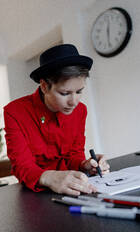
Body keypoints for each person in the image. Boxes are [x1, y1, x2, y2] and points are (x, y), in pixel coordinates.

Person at [4, 44, 110, 196]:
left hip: (72, 191)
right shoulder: (14, 112)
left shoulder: (81, 110)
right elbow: (22, 166)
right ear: (44, 86)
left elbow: (74, 154)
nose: (74, 101)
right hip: (35, 196)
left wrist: (84, 165)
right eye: (65, 93)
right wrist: (49, 177)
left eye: (79, 91)